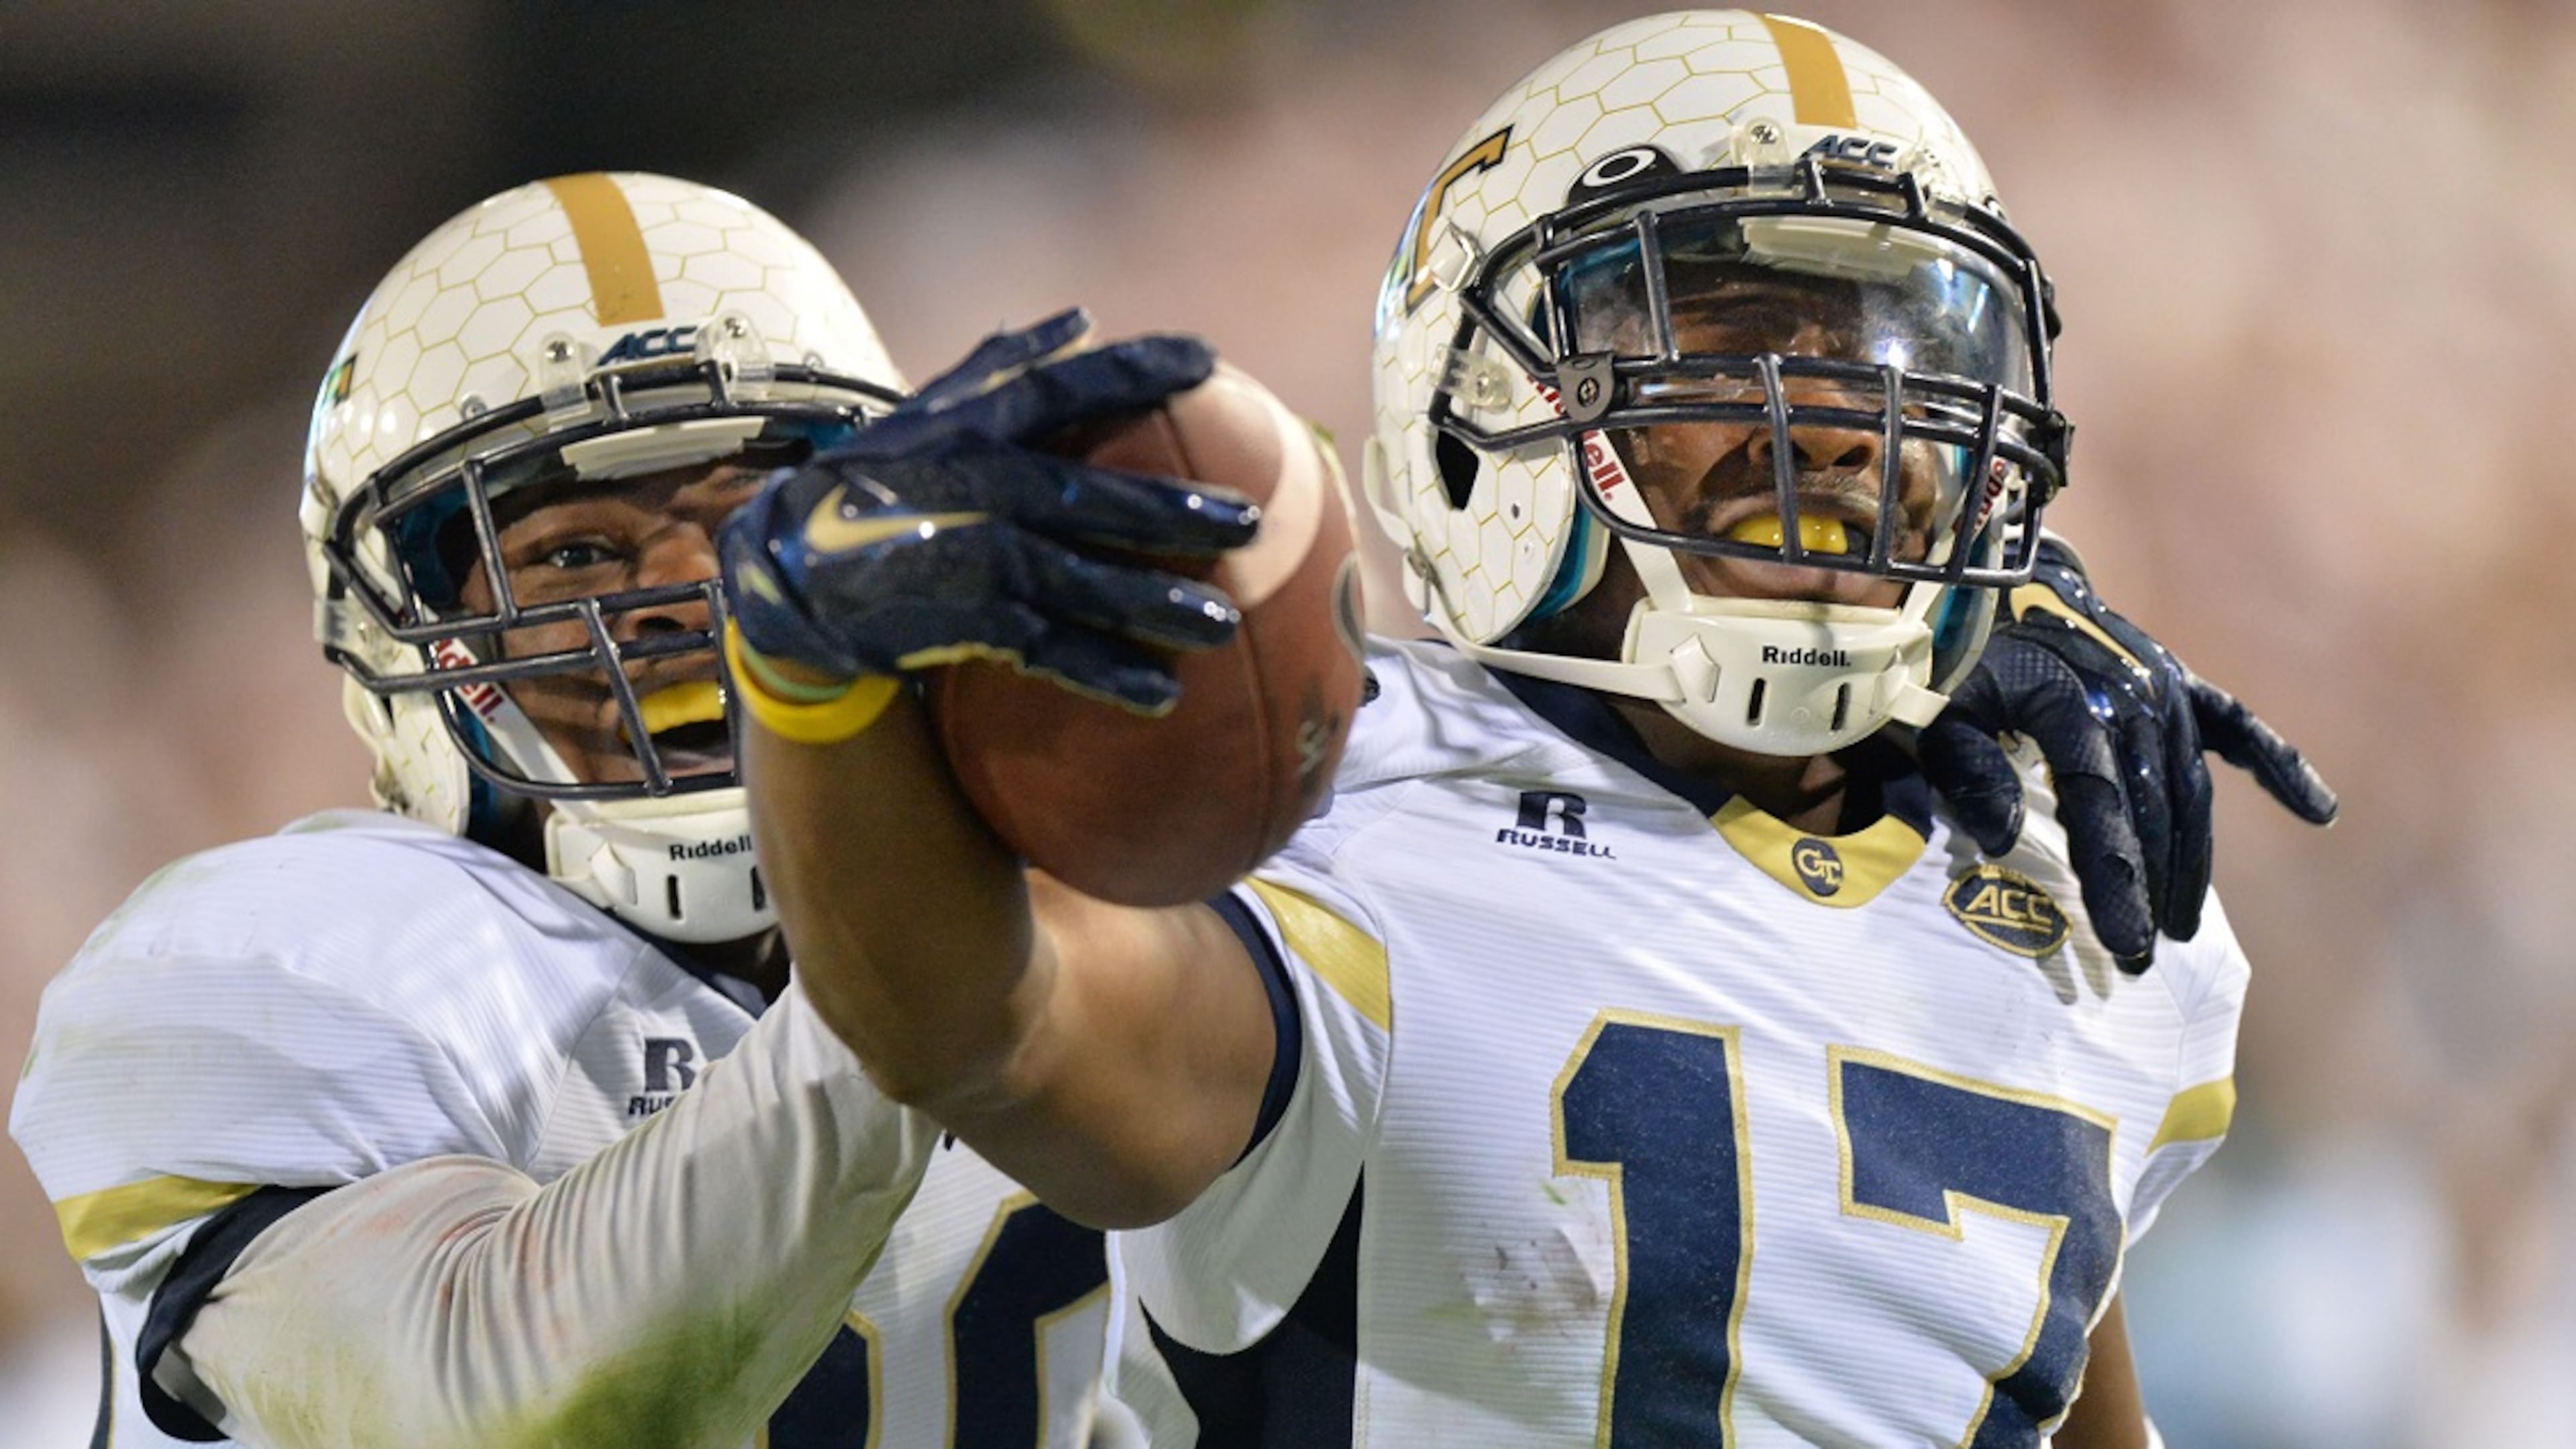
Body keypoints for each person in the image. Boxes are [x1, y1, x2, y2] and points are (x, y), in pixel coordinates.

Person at [714, 12, 2334, 1446]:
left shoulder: (2074, 911)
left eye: (1894, 355)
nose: (1838, 419)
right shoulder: (1347, 810)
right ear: (1481, 416)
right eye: (1733, 339)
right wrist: (815, 686)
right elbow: (986, 1027)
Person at [10, 173, 1131, 1449]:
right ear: (407, 638)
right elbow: (500, 1402)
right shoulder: (287, 965)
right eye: (578, 555)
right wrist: (920, 973)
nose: (688, 596)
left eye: (764, 523)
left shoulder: (1079, 913)